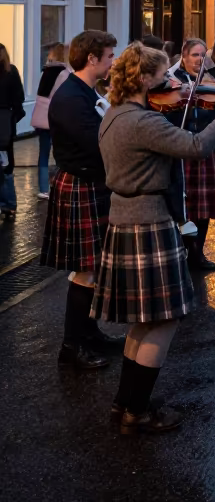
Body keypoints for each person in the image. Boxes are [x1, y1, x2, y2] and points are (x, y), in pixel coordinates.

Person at [93, 42, 215, 433]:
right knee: (163, 321)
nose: (172, 84)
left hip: (129, 218)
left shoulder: (116, 112)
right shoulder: (143, 122)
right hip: (147, 222)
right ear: (143, 79)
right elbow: (196, 146)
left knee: (143, 323)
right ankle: (137, 413)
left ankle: (126, 401)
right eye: (164, 78)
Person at [39, 30, 120, 370]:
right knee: (85, 272)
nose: (113, 61)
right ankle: (72, 347)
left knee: (93, 269)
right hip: (80, 184)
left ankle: (89, 333)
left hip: (91, 184)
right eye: (109, 56)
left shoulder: (86, 91)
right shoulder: (72, 96)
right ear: (92, 59)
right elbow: (96, 143)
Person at [167, 39, 215, 272]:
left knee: (202, 209)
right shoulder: (172, 80)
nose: (199, 59)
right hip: (181, 148)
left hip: (205, 147)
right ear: (183, 56)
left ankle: (197, 253)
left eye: (203, 55)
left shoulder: (208, 79)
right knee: (183, 206)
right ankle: (182, 251)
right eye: (195, 55)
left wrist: (212, 67)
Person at [31, 43, 71, 200]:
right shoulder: (63, 73)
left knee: (43, 153)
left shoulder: (45, 71)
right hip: (55, 118)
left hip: (41, 117)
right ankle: (60, 184)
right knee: (60, 152)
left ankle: (43, 188)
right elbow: (64, 96)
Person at [0, 43, 26, 218]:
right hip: (5, 124)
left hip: (5, 122)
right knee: (7, 165)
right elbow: (19, 99)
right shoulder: (11, 72)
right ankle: (9, 205)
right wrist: (12, 119)